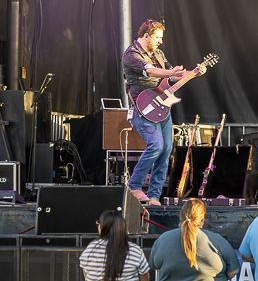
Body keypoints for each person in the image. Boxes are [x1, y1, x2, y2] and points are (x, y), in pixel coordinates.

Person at [123, 19, 205, 206]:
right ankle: (134, 186)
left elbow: (173, 74)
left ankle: (154, 196)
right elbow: (151, 71)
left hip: (161, 108)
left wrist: (194, 73)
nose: (161, 41)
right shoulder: (132, 54)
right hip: (143, 109)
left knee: (166, 149)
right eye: (158, 37)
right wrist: (170, 73)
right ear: (146, 36)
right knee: (156, 146)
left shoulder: (158, 53)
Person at [149, 198, 239, 281]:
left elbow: (155, 266)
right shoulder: (217, 240)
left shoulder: (162, 240)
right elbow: (233, 272)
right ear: (202, 219)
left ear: (181, 216)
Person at [80, 209, 150, 281]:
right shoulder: (135, 250)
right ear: (123, 228)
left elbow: (86, 275)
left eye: (98, 223)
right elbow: (144, 276)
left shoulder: (90, 249)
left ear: (102, 227)